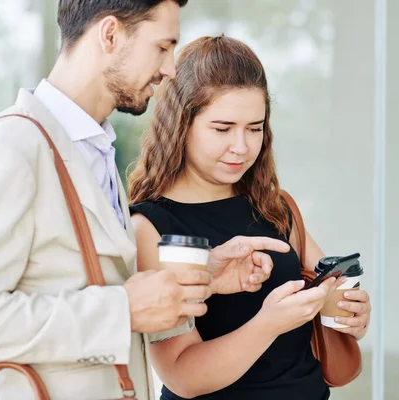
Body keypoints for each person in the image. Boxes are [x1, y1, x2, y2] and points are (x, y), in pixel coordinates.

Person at [0, 2, 289, 399]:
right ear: (110, 34)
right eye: (162, 47)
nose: (169, 69)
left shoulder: (94, 150)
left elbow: (85, 280)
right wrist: (122, 310)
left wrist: (206, 275)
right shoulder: (11, 147)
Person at [128, 35, 372, 400]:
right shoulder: (150, 227)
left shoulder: (276, 206)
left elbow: (327, 299)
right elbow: (182, 375)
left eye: (254, 128)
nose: (241, 147)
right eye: (222, 129)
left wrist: (351, 314)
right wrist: (268, 324)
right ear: (181, 125)